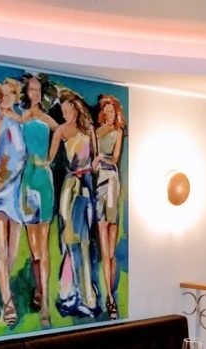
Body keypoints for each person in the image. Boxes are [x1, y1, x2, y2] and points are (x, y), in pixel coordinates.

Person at [19, 73, 60, 327]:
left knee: (43, 246)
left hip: (43, 179)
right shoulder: (21, 117)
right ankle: (39, 287)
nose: (35, 93)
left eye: (38, 90)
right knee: (34, 247)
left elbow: (61, 132)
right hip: (27, 179)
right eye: (31, 89)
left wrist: (50, 157)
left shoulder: (46, 119)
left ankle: (45, 303)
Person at [55, 88, 100, 318]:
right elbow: (50, 158)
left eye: (66, 110)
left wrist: (96, 166)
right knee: (69, 240)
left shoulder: (88, 130)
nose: (64, 114)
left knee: (83, 241)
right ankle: (69, 293)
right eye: (62, 110)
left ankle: (85, 296)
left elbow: (94, 161)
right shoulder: (61, 131)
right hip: (70, 186)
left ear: (74, 109)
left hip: (85, 186)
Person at [0, 78, 27, 328]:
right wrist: (1, 120)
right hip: (2, 185)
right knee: (2, 249)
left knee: (13, 250)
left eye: (11, 94)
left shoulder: (20, 117)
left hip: (18, 187)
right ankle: (7, 301)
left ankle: (4, 286)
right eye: (4, 94)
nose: (7, 98)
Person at [93, 94, 126, 320]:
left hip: (112, 181)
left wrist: (100, 160)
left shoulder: (118, 132)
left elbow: (114, 159)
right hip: (101, 183)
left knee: (111, 252)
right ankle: (110, 298)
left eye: (112, 110)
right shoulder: (97, 132)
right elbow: (94, 159)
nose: (109, 113)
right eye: (106, 110)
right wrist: (97, 162)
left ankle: (111, 294)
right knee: (105, 251)